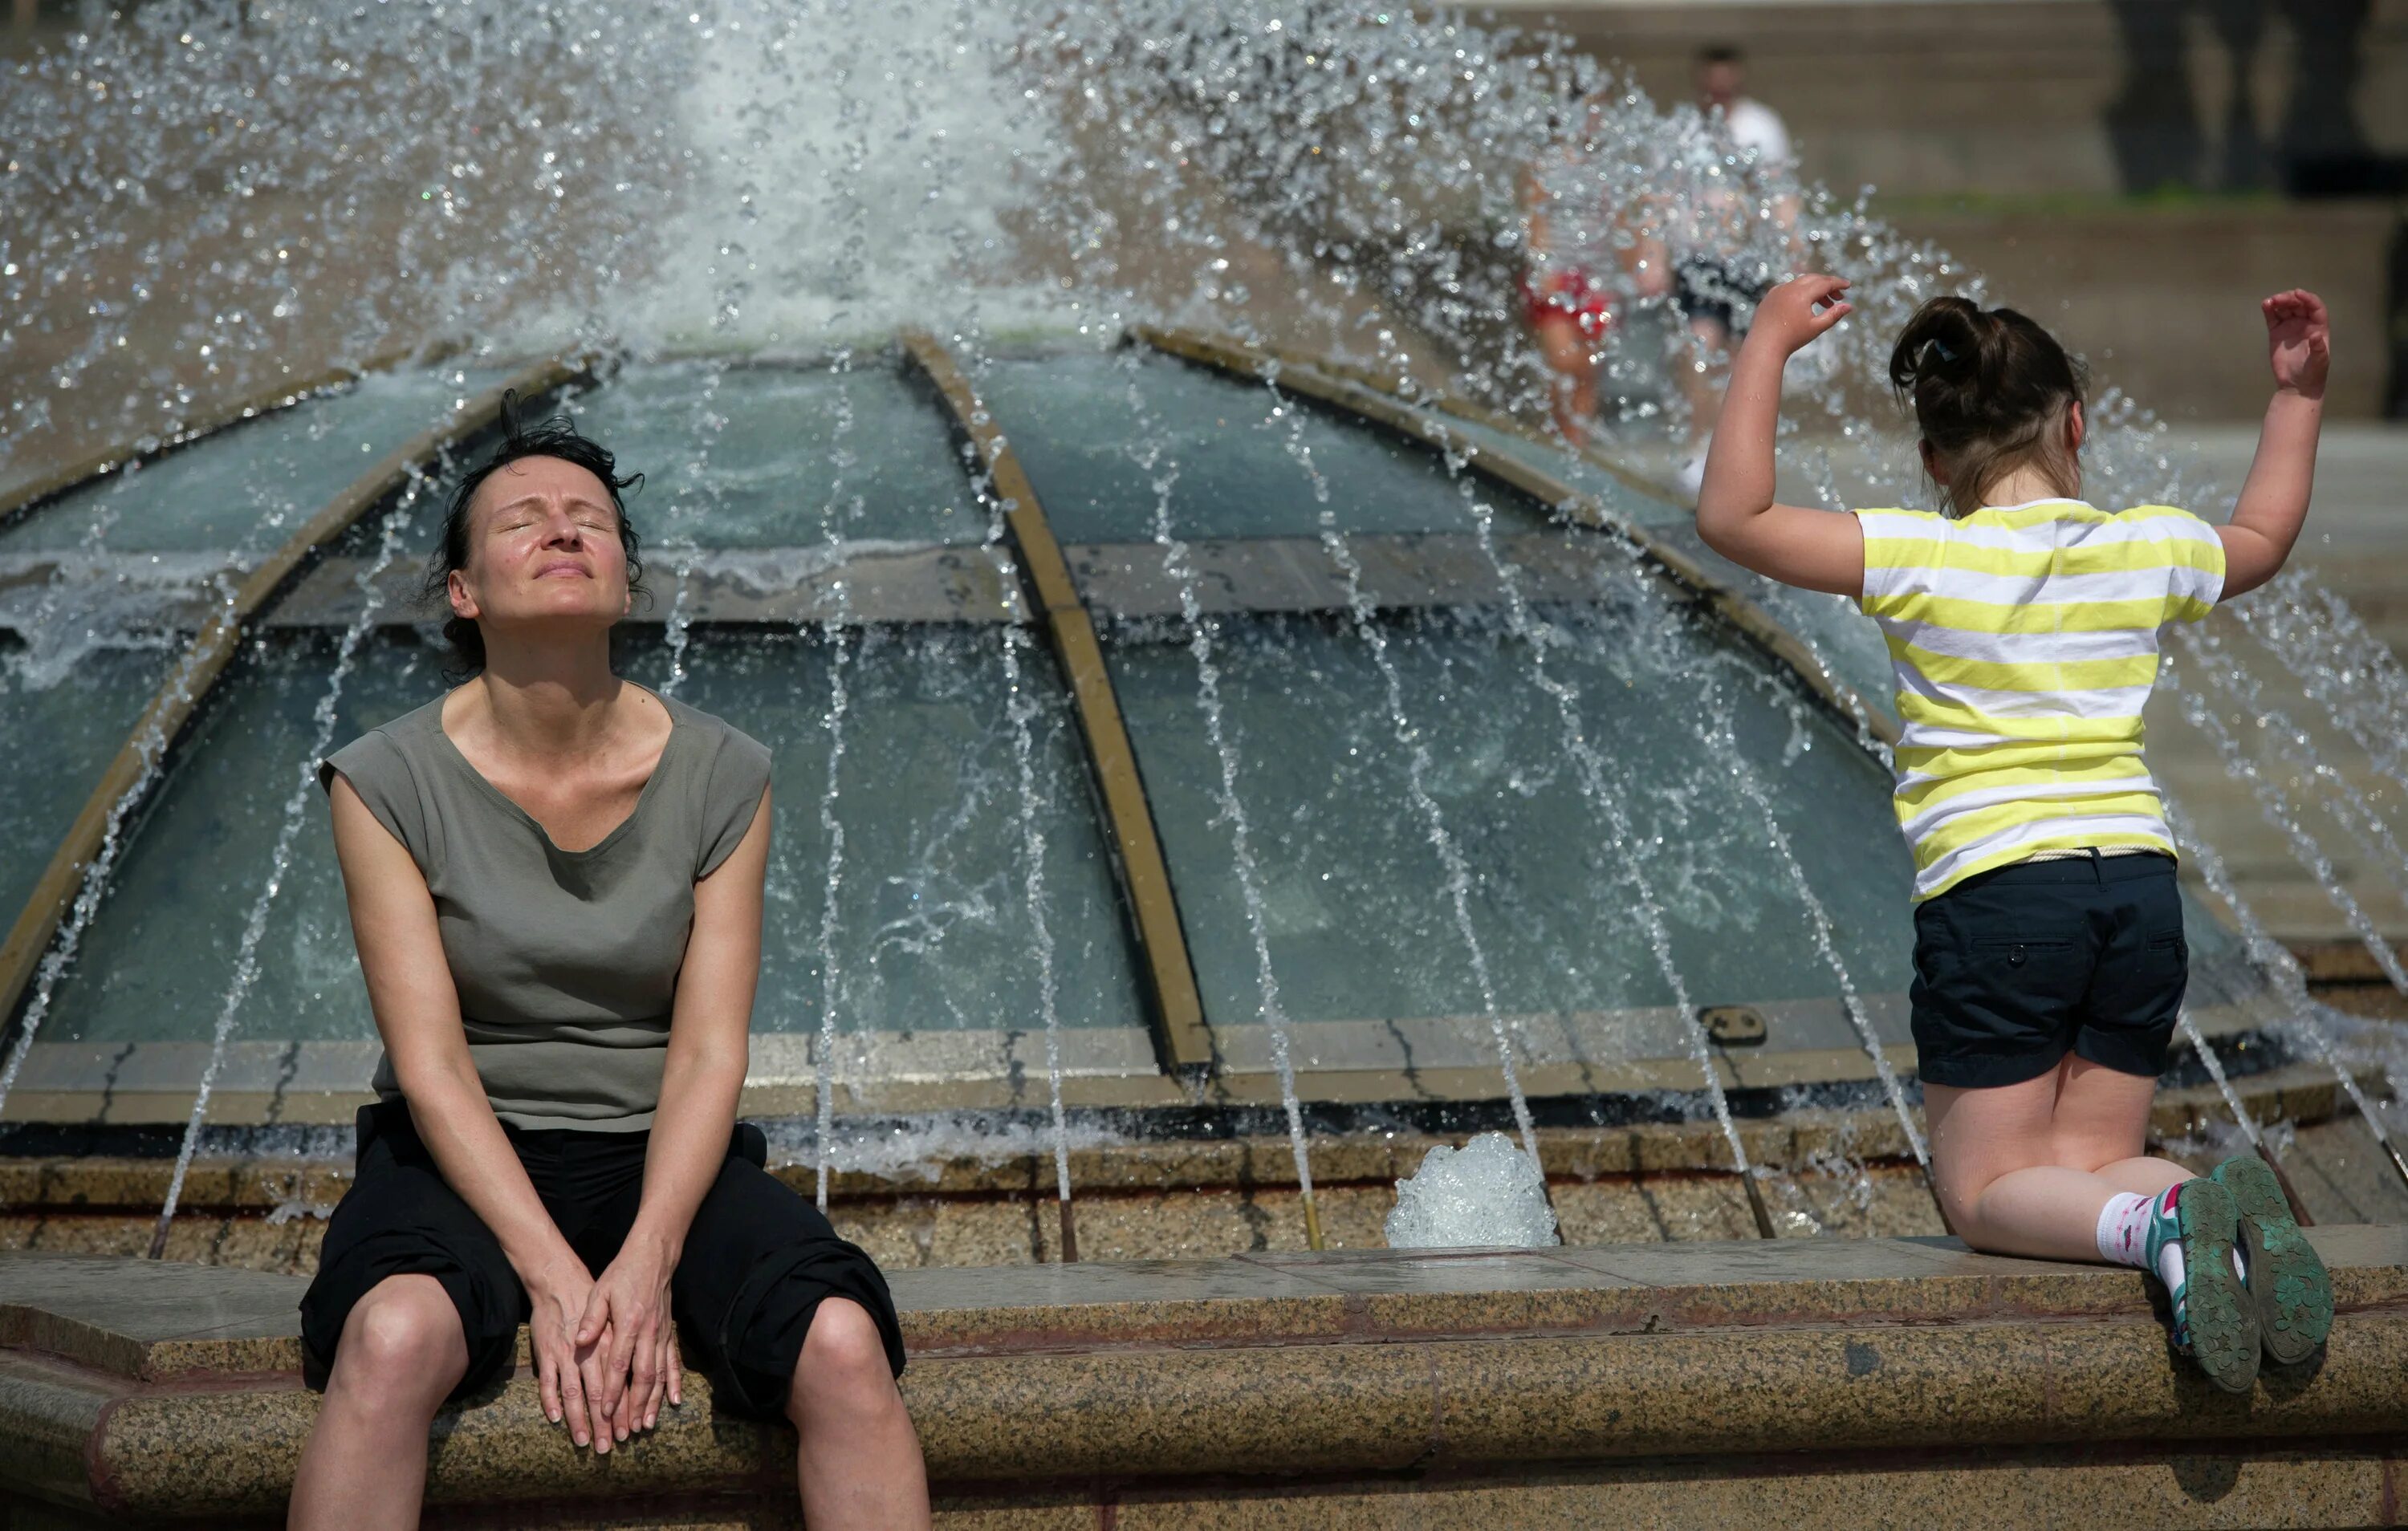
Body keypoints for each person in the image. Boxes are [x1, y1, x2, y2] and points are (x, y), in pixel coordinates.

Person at [287, 407, 931, 1530]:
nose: (564, 532)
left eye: (590, 521)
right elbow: (431, 1065)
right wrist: (550, 1273)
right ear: (463, 591)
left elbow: (708, 1048)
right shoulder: (383, 781)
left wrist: (649, 1259)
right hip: (459, 1158)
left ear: (627, 583)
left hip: (664, 1159)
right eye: (524, 521)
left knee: (839, 1341)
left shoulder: (725, 771)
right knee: (390, 1339)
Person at [1694, 275, 2337, 1391]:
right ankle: (2208, 1214)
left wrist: (1764, 345)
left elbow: (1733, 517)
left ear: (1936, 463)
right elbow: (2264, 536)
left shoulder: (1921, 555)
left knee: (1986, 1193)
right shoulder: (2143, 548)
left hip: (2001, 898)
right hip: (2137, 894)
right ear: (2076, 422)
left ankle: (2173, 1223)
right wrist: (2300, 395)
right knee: (2090, 1159)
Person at [1644, 44, 1798, 498]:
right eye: (1712, 86)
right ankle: (1698, 443)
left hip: (1747, 258)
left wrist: (1790, 255)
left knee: (1738, 358)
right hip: (1696, 258)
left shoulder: (1762, 126)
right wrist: (1653, 256)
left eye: (1727, 87)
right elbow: (1659, 196)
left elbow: (1780, 193)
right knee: (1699, 346)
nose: (1720, 95)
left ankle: (1726, 449)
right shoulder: (1680, 129)